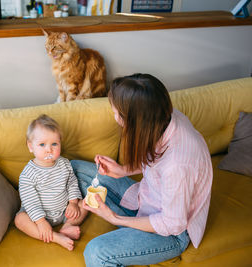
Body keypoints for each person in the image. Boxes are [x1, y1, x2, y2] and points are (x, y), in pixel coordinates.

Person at [71, 73, 213, 266]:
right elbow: (156, 160)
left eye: (117, 113)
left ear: (135, 121)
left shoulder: (179, 165)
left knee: (97, 253)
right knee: (75, 168)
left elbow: (172, 223)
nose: (114, 117)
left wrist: (115, 218)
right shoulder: (163, 116)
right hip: (145, 199)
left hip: (170, 233)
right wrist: (123, 170)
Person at [14, 114, 88, 251]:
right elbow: (30, 201)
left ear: (60, 143)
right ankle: (55, 237)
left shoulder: (64, 164)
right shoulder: (28, 173)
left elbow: (72, 182)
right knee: (19, 220)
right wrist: (41, 222)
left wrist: (72, 203)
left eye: (54, 144)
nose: (49, 149)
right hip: (37, 217)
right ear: (31, 147)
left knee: (85, 204)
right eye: (42, 144)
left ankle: (67, 227)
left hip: (64, 212)